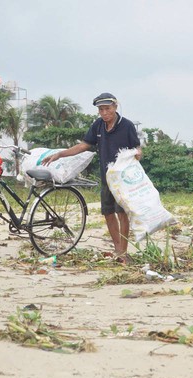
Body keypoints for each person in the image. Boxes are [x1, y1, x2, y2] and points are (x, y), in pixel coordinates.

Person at [41, 92, 141, 263]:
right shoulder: (98, 126)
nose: (104, 113)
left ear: (115, 107)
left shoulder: (127, 126)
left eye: (107, 109)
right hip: (106, 178)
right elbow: (84, 145)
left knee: (121, 213)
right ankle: (117, 249)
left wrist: (137, 155)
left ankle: (123, 251)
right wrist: (60, 154)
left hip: (123, 179)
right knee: (108, 213)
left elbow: (137, 149)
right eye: (100, 110)